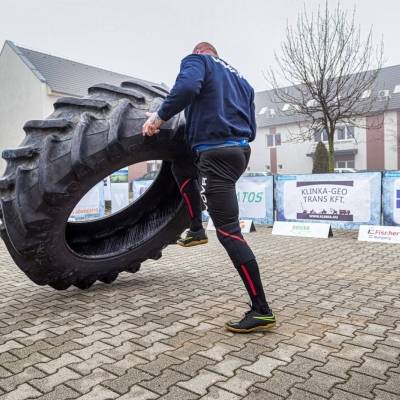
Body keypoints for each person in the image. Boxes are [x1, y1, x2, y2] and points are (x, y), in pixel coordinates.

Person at [142, 42, 275, 333]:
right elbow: (252, 129)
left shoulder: (197, 60)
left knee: (229, 233)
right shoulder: (242, 80)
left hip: (216, 156)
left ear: (201, 52)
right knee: (181, 167)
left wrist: (158, 118)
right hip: (239, 152)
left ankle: (262, 310)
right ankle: (196, 229)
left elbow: (187, 88)